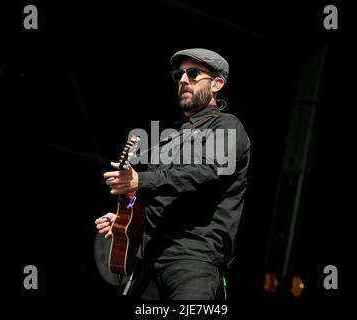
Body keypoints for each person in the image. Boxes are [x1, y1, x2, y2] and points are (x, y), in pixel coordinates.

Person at [95, 48, 251, 300]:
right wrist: (126, 223)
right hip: (149, 262)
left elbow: (206, 171)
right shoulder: (169, 140)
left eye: (193, 73)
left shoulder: (226, 126)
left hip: (193, 262)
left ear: (217, 84)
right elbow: (154, 199)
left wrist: (141, 180)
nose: (183, 80)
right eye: (179, 74)